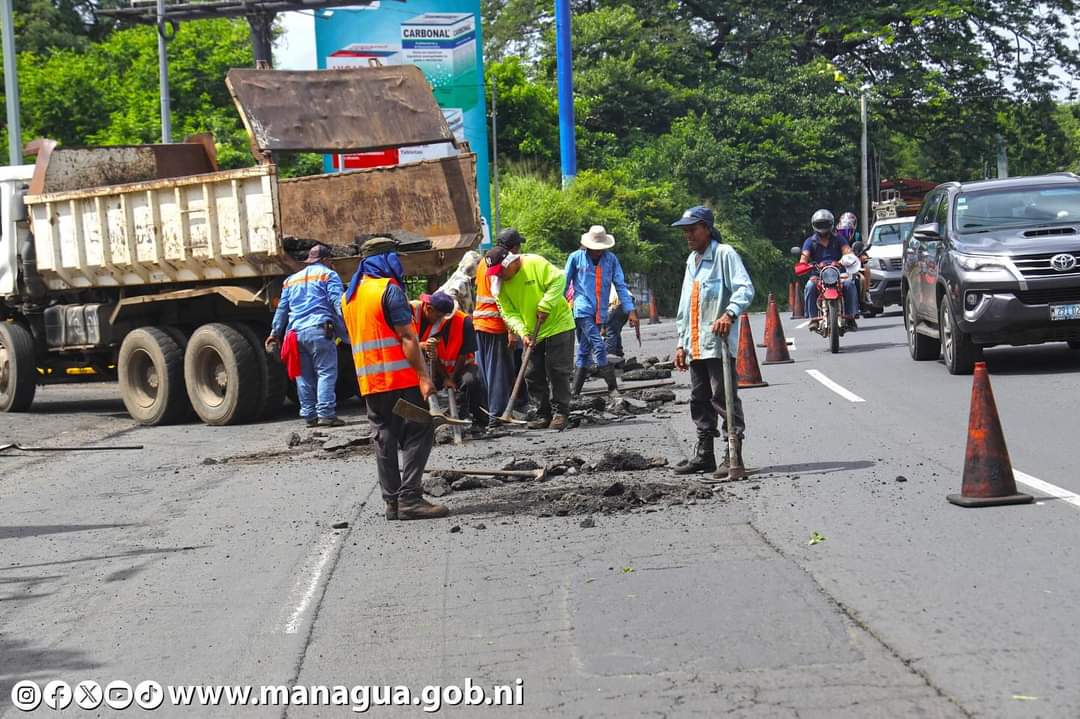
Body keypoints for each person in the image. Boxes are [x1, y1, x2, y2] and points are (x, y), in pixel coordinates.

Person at [341, 240, 448, 521]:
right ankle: (410, 498)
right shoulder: (389, 290)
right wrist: (424, 377)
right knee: (421, 428)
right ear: (386, 260)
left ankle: (392, 503)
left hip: (371, 383)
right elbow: (407, 337)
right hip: (400, 380)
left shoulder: (349, 297)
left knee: (384, 437)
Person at [670, 206, 754, 478]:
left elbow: (744, 288)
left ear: (706, 228)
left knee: (723, 398)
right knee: (699, 398)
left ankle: (733, 455)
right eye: (686, 231)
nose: (689, 236)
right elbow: (685, 307)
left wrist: (729, 314)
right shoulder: (691, 261)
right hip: (696, 344)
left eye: (693, 230)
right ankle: (705, 455)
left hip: (717, 344)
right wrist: (681, 343)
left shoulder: (724, 255)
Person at [485, 244, 576, 431]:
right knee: (532, 373)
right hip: (531, 331)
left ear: (510, 261)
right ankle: (543, 413)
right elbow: (509, 313)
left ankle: (561, 412)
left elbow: (559, 279)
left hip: (558, 325)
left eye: (500, 270)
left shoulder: (534, 263)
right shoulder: (499, 285)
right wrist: (522, 333)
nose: (499, 275)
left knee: (557, 370)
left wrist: (546, 304)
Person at [267, 244, 349, 427]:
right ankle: (326, 414)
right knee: (325, 372)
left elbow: (282, 309)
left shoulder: (290, 281)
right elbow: (338, 302)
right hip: (320, 331)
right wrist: (349, 324)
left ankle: (309, 415)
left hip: (295, 334)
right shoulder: (328, 275)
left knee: (303, 375)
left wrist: (274, 333)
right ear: (326, 260)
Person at [564, 225, 638, 395]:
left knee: (584, 350)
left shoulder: (611, 260)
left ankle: (575, 392)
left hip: (601, 312)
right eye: (595, 249)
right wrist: (557, 307)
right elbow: (564, 283)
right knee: (599, 345)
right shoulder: (576, 258)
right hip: (582, 309)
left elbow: (620, 285)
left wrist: (631, 310)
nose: (598, 252)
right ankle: (612, 387)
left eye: (601, 249)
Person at [412, 291, 488, 432]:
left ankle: (480, 420)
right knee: (422, 386)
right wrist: (445, 377)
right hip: (439, 368)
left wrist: (451, 379)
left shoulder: (465, 322)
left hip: (462, 367)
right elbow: (433, 356)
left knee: (471, 381)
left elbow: (463, 354)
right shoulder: (431, 324)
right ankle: (422, 424)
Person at [473, 230, 524, 419]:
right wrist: (511, 331)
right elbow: (501, 298)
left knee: (486, 372)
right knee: (498, 373)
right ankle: (497, 415)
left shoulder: (483, 261)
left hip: (480, 322)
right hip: (495, 324)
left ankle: (489, 413)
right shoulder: (503, 264)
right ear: (513, 247)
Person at [800, 209, 860, 331]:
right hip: (818, 274)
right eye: (820, 224)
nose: (822, 227)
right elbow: (804, 257)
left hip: (838, 272)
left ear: (831, 224)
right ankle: (813, 319)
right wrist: (804, 264)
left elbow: (847, 251)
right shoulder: (810, 242)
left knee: (849, 284)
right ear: (814, 225)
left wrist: (843, 260)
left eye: (825, 224)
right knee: (810, 286)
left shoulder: (839, 238)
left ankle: (850, 316)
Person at [605, 284, 634, 359]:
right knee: (616, 331)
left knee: (610, 331)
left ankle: (610, 358)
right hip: (628, 299)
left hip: (617, 301)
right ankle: (619, 356)